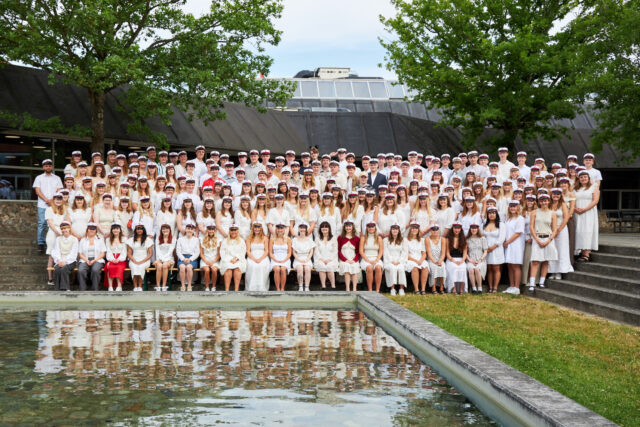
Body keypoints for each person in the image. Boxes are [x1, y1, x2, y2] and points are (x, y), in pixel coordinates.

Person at [528, 194, 558, 293]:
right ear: (539, 202)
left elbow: (554, 229)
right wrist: (536, 239)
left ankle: (541, 282)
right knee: (535, 261)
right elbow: (531, 227)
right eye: (541, 201)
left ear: (548, 201)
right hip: (537, 238)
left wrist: (549, 240)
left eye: (545, 201)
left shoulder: (552, 213)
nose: (543, 203)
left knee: (546, 261)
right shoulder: (534, 212)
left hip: (548, 239)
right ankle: (532, 284)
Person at [34, 159, 63, 253]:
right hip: (42, 205)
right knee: (41, 224)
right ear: (43, 167)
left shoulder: (57, 178)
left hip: (54, 205)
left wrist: (52, 200)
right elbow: (37, 191)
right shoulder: (39, 178)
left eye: (50, 165)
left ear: (52, 167)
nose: (48, 167)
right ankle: (41, 244)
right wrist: (46, 200)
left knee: (55, 223)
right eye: (46, 165)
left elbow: (59, 190)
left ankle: (53, 242)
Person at [574, 170, 600, 262]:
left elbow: (595, 200)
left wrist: (584, 209)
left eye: (585, 177)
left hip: (588, 212)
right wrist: (575, 208)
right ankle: (579, 251)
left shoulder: (594, 186)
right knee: (578, 231)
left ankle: (586, 254)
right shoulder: (576, 188)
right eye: (581, 177)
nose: (583, 179)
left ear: (588, 178)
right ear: (579, 179)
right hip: (577, 212)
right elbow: (571, 199)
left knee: (587, 231)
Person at [548, 188, 574, 279]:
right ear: (551, 195)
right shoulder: (548, 204)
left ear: (560, 195)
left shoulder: (563, 204)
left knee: (561, 250)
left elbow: (566, 218)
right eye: (554, 194)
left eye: (558, 194)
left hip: (561, 229)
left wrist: (558, 230)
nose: (556, 196)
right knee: (552, 250)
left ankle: (559, 271)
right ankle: (552, 271)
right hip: (550, 230)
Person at [503, 201, 525, 294]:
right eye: (511, 207)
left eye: (514, 207)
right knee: (510, 265)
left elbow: (518, 233)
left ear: (518, 208)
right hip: (508, 244)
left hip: (516, 245)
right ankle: (511, 286)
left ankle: (517, 287)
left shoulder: (520, 218)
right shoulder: (508, 219)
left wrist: (507, 241)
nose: (512, 208)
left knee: (515, 265)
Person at [45, 193, 67, 286]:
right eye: (56, 199)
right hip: (52, 233)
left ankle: (60, 278)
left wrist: (63, 232)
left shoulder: (64, 210)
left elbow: (66, 222)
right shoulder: (49, 209)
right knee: (51, 255)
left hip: (63, 232)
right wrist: (57, 232)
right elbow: (50, 223)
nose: (58, 201)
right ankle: (50, 278)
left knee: (61, 254)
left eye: (60, 199)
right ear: (53, 200)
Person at [77, 223, 106, 291]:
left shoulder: (100, 239)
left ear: (96, 230)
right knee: (81, 270)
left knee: (95, 270)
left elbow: (103, 253)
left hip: (97, 259)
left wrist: (94, 260)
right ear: (87, 230)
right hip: (85, 259)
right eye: (90, 229)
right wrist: (86, 260)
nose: (92, 230)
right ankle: (83, 289)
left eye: (94, 229)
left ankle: (95, 289)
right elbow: (80, 254)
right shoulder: (83, 240)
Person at [50, 221, 78, 291]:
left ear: (69, 229)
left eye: (65, 228)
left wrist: (65, 261)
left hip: (70, 261)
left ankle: (65, 288)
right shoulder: (58, 239)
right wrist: (59, 260)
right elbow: (56, 251)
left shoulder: (74, 239)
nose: (64, 230)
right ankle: (57, 289)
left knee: (64, 269)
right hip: (60, 260)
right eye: (62, 229)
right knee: (57, 269)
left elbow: (73, 253)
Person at [219, 224, 247, 291]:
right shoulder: (225, 241)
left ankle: (236, 289)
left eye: (235, 230)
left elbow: (243, 252)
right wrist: (229, 259)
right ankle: (227, 290)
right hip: (227, 260)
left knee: (237, 269)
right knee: (228, 269)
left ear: (237, 231)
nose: (233, 232)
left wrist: (236, 258)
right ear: (229, 231)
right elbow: (222, 252)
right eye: (232, 230)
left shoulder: (241, 240)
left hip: (238, 260)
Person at [484, 207, 505, 293]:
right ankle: (490, 287)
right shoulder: (484, 225)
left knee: (496, 268)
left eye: (493, 213)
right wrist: (486, 248)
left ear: (496, 214)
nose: (491, 215)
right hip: (486, 250)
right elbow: (482, 237)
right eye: (490, 213)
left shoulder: (501, 225)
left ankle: (495, 288)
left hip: (496, 249)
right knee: (489, 268)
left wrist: (493, 247)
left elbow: (502, 238)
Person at [126, 224, 154, 291]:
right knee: (134, 267)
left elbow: (150, 254)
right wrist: (133, 260)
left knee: (141, 267)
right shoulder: (131, 240)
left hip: (145, 259)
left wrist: (142, 261)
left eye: (141, 229)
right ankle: (135, 287)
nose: (139, 230)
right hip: (134, 258)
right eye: (138, 229)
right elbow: (129, 254)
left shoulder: (148, 240)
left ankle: (140, 286)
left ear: (143, 230)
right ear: (135, 230)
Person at [384, 224, 408, 296]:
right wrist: (392, 261)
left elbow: (405, 252)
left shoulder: (403, 240)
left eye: (396, 229)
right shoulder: (386, 240)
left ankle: (401, 289)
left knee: (401, 268)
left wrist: (399, 261)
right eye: (393, 229)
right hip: (389, 260)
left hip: (400, 260)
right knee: (392, 268)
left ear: (399, 230)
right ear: (391, 230)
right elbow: (385, 252)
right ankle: (392, 289)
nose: (395, 230)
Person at [245, 222, 271, 291]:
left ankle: (262, 287)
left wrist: (260, 259)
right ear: (253, 229)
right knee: (252, 266)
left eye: (258, 228)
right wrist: (254, 259)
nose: (257, 229)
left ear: (261, 229)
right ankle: (251, 287)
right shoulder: (249, 238)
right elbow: (248, 251)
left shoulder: (265, 238)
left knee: (262, 266)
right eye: (255, 228)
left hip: (262, 256)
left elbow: (266, 251)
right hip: (252, 256)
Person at [314, 221, 339, 290]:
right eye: (322, 227)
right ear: (320, 229)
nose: (324, 228)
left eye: (326, 227)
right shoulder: (317, 238)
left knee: (329, 266)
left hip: (331, 258)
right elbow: (316, 250)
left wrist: (329, 259)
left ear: (329, 229)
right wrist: (321, 259)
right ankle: (323, 286)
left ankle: (333, 286)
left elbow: (335, 250)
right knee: (321, 266)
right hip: (320, 258)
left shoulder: (333, 238)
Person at [405, 222, 429, 294]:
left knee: (425, 267)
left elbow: (424, 253)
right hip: (410, 259)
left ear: (418, 230)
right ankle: (416, 289)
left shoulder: (422, 240)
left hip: (420, 258)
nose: (414, 229)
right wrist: (415, 261)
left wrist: (421, 260)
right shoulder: (406, 240)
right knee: (414, 267)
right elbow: (406, 254)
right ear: (410, 229)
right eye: (413, 228)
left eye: (416, 228)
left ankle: (423, 289)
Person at [338, 220, 360, 292]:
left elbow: (358, 252)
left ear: (352, 227)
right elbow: (338, 251)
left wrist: (354, 260)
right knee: (346, 266)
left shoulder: (356, 238)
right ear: (344, 227)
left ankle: (354, 288)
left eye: (349, 226)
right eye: (346, 226)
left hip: (353, 258)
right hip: (344, 259)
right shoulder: (340, 238)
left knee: (355, 266)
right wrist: (345, 260)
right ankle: (347, 288)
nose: (348, 228)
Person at [176, 224, 200, 291]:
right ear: (185, 229)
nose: (190, 230)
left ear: (194, 230)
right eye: (188, 228)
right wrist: (183, 259)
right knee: (182, 267)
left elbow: (197, 252)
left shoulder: (196, 240)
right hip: (182, 257)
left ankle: (189, 285)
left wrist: (190, 259)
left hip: (192, 258)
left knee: (189, 267)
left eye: (191, 229)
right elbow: (178, 251)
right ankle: (183, 285)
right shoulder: (180, 239)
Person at [446, 223, 468, 294]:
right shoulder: (448, 239)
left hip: (461, 259)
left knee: (463, 267)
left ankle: (461, 289)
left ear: (460, 229)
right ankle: (454, 288)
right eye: (455, 228)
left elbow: (465, 253)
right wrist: (453, 261)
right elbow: (447, 253)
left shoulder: (464, 240)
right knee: (453, 267)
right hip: (451, 259)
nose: (456, 230)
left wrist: (462, 261)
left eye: (458, 228)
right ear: (452, 229)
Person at [292, 224, 316, 292]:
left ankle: (307, 286)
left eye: (304, 228)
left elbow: (311, 251)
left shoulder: (309, 239)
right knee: (300, 268)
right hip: (298, 258)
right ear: (298, 229)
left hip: (307, 257)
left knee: (307, 269)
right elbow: (294, 252)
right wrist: (299, 259)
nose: (302, 230)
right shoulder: (295, 239)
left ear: (306, 229)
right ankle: (300, 286)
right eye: (301, 228)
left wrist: (307, 259)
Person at [154, 224, 176, 292]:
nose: (165, 230)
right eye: (163, 229)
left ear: (169, 230)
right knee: (159, 265)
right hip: (159, 258)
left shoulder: (173, 239)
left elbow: (170, 251)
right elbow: (157, 250)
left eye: (167, 228)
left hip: (169, 258)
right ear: (161, 230)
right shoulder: (158, 238)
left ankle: (164, 285)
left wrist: (164, 260)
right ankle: (158, 286)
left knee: (165, 265)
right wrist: (160, 260)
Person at [466, 224, 488, 293]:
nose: (473, 229)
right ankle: (474, 288)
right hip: (470, 260)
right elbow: (465, 252)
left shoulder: (482, 239)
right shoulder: (467, 239)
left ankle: (480, 288)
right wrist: (470, 260)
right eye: (472, 228)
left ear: (478, 229)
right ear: (470, 229)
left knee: (477, 269)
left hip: (480, 260)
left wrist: (480, 260)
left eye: (475, 228)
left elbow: (485, 251)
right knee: (471, 270)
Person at [269, 223, 291, 291]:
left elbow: (289, 252)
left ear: (284, 230)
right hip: (275, 257)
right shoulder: (272, 239)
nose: (280, 230)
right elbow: (270, 252)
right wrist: (275, 259)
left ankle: (282, 288)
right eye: (278, 228)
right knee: (277, 269)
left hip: (285, 257)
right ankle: (278, 288)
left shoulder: (288, 239)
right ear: (276, 229)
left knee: (283, 269)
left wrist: (285, 260)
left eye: (281, 228)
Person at [426, 224, 447, 294]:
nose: (435, 231)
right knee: (434, 267)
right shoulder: (427, 239)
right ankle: (433, 287)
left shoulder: (443, 239)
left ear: (438, 230)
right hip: (431, 260)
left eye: (436, 229)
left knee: (442, 267)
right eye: (433, 229)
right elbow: (429, 253)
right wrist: (435, 261)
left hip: (440, 259)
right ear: (431, 230)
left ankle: (441, 287)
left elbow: (443, 253)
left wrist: (440, 261)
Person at [199, 225, 221, 291]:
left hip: (214, 259)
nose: (211, 231)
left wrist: (213, 262)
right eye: (209, 229)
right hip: (205, 259)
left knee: (214, 270)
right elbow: (201, 254)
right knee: (207, 270)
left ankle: (214, 287)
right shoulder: (202, 239)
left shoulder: (218, 240)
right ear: (207, 230)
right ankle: (207, 287)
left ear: (214, 230)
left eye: (212, 229)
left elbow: (219, 254)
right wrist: (206, 261)